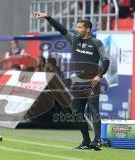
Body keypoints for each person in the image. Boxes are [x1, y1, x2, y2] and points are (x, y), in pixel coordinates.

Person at [35, 12, 110, 150]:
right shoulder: (75, 40)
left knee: (94, 110)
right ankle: (86, 141)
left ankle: (97, 140)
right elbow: (61, 29)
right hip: (78, 82)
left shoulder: (96, 43)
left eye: (80, 27)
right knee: (76, 112)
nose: (77, 29)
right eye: (77, 27)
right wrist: (47, 17)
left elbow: (106, 60)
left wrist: (99, 76)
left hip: (92, 81)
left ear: (88, 29)